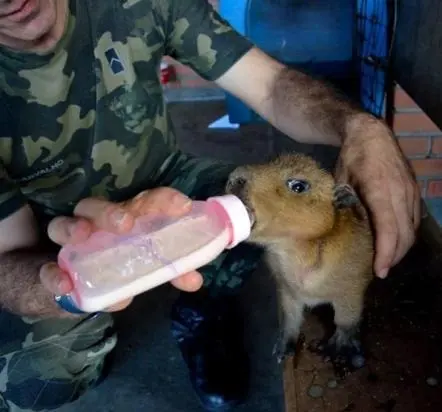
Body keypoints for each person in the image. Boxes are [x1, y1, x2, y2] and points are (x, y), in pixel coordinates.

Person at [0, 0, 421, 410]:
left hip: (164, 188)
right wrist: (64, 289)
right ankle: (87, 333)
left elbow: (271, 88)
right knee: (40, 382)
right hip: (52, 232)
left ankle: (202, 310)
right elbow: (8, 255)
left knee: (254, 210)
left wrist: (360, 127)